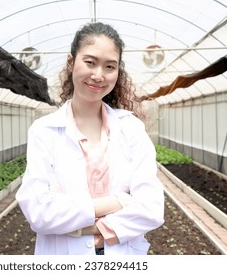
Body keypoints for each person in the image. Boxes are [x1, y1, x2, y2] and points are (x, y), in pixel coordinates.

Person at [16, 22, 165, 255]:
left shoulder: (131, 129)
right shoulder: (44, 130)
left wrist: (86, 229)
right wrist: (119, 201)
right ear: (70, 62)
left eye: (109, 66)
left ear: (118, 72)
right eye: (90, 62)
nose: (98, 75)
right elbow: (38, 211)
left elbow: (152, 207)